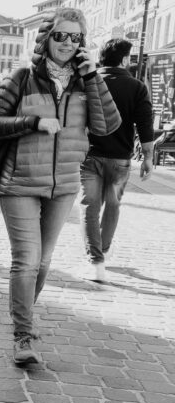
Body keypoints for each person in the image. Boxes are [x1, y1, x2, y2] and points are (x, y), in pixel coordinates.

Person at [0, 8, 121, 366]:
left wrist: (94, 78)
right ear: (46, 38)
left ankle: (24, 316)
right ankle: (23, 335)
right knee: (26, 261)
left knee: (43, 262)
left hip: (64, 186)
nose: (68, 44)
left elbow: (107, 127)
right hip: (20, 182)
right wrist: (32, 122)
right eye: (61, 36)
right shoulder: (23, 77)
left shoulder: (84, 82)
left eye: (76, 37)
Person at [81, 38, 154, 284]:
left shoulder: (88, 81)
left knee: (89, 207)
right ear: (124, 59)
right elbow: (145, 125)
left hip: (89, 154)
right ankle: (103, 251)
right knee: (113, 205)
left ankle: (95, 260)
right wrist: (148, 158)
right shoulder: (136, 86)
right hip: (121, 158)